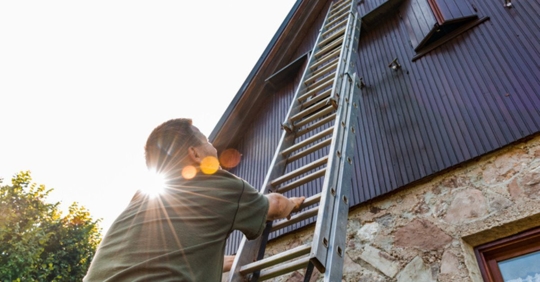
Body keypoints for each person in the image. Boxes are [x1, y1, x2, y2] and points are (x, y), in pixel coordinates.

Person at [84, 118, 305, 281]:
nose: (214, 147)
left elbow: (167, 264)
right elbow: (275, 206)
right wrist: (293, 202)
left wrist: (229, 262)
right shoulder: (219, 186)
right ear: (195, 154)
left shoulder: (140, 201)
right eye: (207, 141)